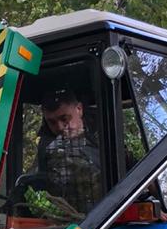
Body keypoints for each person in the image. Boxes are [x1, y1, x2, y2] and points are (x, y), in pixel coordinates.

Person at [11, 90, 103, 221]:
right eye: (52, 122)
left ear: (79, 109)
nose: (59, 127)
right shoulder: (47, 147)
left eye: (64, 119)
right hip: (65, 220)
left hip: (106, 216)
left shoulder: (105, 132)